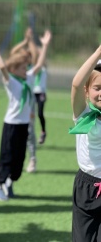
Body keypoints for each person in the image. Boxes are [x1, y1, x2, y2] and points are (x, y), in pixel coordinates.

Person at [0, 29, 51, 201]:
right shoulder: (11, 82)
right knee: (7, 156)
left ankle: (10, 181)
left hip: (24, 125)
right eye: (23, 67)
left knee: (19, 159)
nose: (27, 69)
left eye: (26, 67)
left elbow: (39, 65)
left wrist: (45, 45)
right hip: (11, 125)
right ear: (14, 69)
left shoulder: (29, 78)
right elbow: (2, 67)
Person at [69, 46, 101, 242]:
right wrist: (99, 52)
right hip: (86, 188)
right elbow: (75, 83)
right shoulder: (83, 115)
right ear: (87, 91)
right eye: (98, 88)